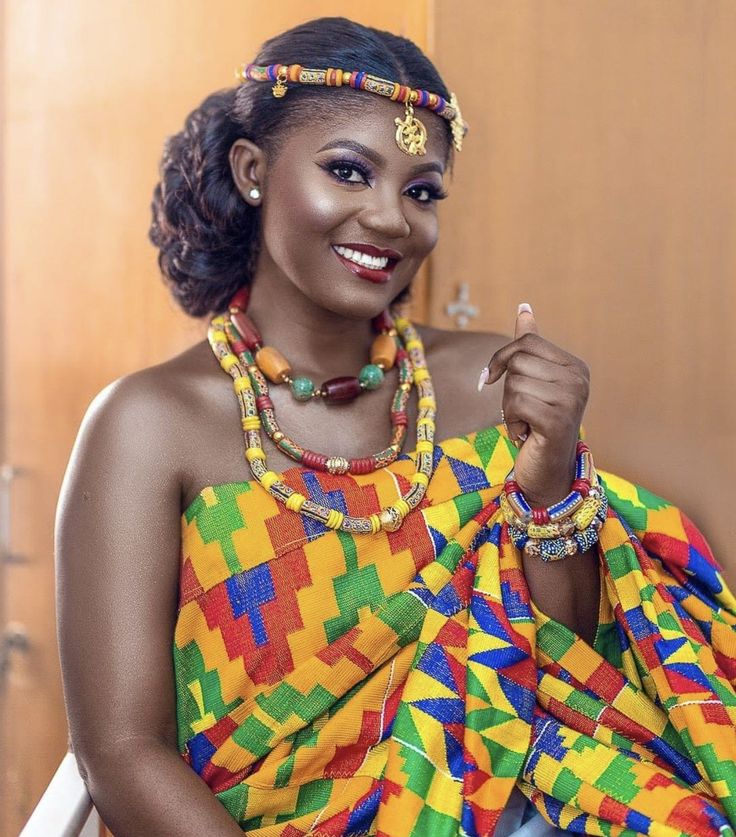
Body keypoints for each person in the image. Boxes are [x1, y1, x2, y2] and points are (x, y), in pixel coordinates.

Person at [55, 16, 736, 837]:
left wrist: (552, 479)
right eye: (349, 171)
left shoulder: (489, 385)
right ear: (252, 171)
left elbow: (570, 666)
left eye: (422, 191)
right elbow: (123, 751)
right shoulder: (149, 426)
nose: (391, 219)